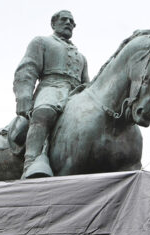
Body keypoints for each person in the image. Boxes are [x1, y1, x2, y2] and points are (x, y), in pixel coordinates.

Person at [12, 10, 89, 177]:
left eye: (72, 21)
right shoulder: (41, 42)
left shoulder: (81, 57)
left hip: (76, 93)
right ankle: (30, 163)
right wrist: (24, 96)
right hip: (51, 87)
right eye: (64, 19)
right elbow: (28, 69)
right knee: (44, 111)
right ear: (53, 23)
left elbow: (87, 84)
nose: (69, 23)